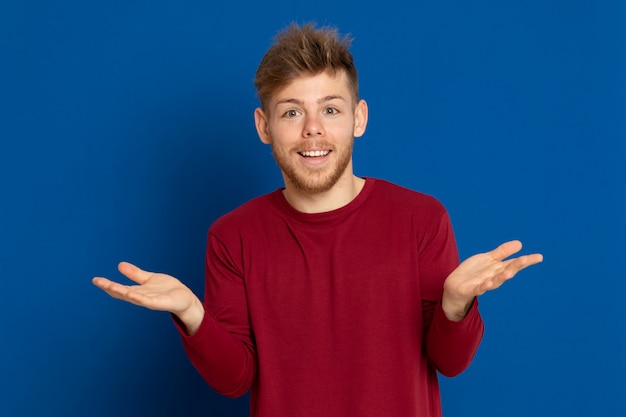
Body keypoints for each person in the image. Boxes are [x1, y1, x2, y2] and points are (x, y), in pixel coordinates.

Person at [93, 22, 543, 417]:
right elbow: (235, 380)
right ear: (263, 126)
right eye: (292, 112)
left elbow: (450, 361)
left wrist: (455, 304)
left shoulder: (421, 219)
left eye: (330, 109)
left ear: (358, 118)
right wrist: (193, 315)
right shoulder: (233, 236)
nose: (313, 129)